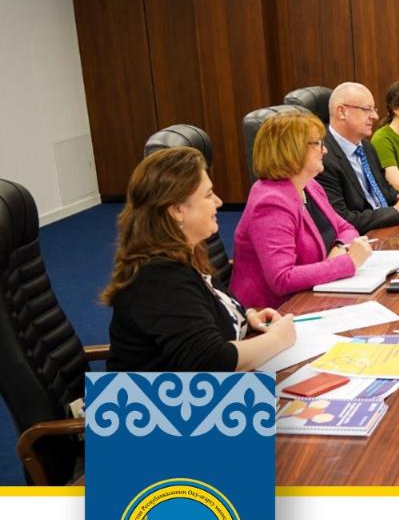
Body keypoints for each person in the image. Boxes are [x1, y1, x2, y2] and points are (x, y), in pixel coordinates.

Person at [102, 147, 296, 372]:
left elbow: (207, 310)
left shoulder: (186, 253)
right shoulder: (160, 278)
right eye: (208, 195)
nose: (219, 202)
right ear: (177, 210)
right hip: (158, 395)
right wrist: (278, 339)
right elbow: (211, 361)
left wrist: (247, 316)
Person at [230, 110, 373, 310]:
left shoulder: (310, 186)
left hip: (313, 295)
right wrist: (348, 262)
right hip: (275, 312)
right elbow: (282, 278)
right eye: (318, 144)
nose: (325, 150)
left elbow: (346, 228)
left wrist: (340, 248)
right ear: (292, 149)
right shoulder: (270, 203)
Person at [316, 81, 399, 234]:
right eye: (367, 109)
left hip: (387, 230)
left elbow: (383, 188)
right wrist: (397, 212)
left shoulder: (366, 146)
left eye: (374, 110)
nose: (375, 116)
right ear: (341, 112)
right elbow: (340, 219)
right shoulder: (321, 156)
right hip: (360, 239)